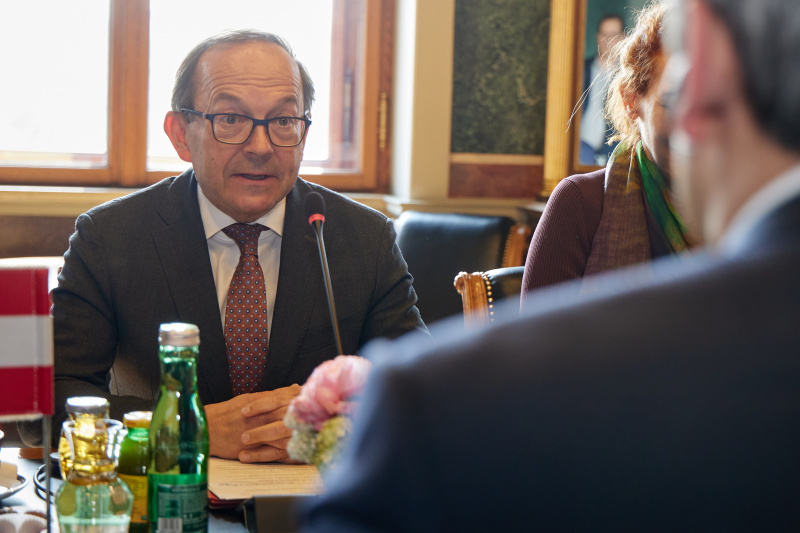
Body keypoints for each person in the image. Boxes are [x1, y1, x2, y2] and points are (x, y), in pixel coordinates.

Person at [301, 0, 800, 529]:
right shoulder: (586, 201)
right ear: (633, 101)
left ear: (699, 96)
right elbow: (537, 329)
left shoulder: (428, 406)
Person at [20, 31, 426, 462]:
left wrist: (337, 430)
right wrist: (182, 427)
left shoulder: (362, 238)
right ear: (180, 134)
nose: (260, 146)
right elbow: (44, 404)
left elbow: (423, 391)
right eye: (231, 119)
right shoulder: (110, 239)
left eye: (283, 121)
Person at [522, 1, 690, 307]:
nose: (692, 126)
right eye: (673, 101)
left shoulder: (753, 208)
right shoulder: (580, 204)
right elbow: (538, 352)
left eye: (714, 105)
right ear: (630, 99)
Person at [578, 13, 624, 165]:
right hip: (579, 151)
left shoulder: (627, 75)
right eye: (604, 34)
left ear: (623, 37)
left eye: (613, 35)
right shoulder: (580, 69)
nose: (607, 41)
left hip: (613, 154)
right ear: (598, 37)